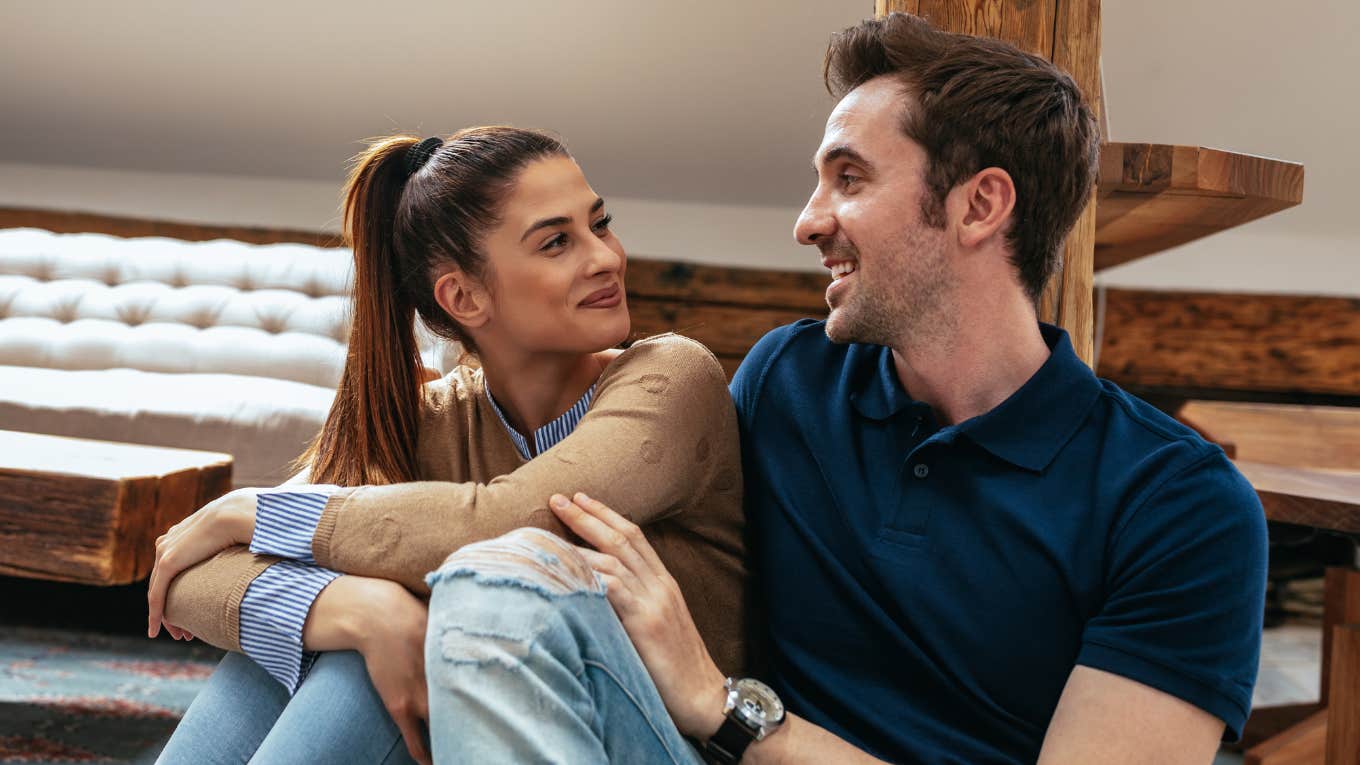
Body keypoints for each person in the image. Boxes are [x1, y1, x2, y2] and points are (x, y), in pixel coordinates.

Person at [417, 13, 1268, 764]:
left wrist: (733, 711)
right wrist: (328, 597)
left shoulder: (1180, 505)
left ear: (980, 207)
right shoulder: (788, 382)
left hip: (735, 733)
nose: (808, 220)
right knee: (481, 589)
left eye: (850, 178)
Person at [146, 127, 748, 764]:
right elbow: (187, 572)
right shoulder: (427, 418)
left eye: (600, 225)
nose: (605, 257)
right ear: (463, 296)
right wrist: (363, 607)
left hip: (664, 745)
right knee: (346, 639)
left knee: (405, 646)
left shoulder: (672, 380)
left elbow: (508, 521)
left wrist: (250, 511)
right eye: (557, 242)